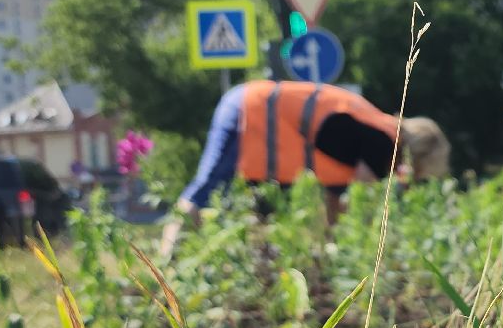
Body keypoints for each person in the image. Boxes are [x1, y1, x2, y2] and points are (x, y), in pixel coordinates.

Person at [161, 79, 449, 255]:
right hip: (249, 112)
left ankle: (174, 262)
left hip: (253, 111)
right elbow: (356, 201)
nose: (413, 179)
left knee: (250, 211)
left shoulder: (376, 127)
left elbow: (335, 199)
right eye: (421, 173)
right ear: (420, 154)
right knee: (206, 190)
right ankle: (166, 266)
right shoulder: (384, 143)